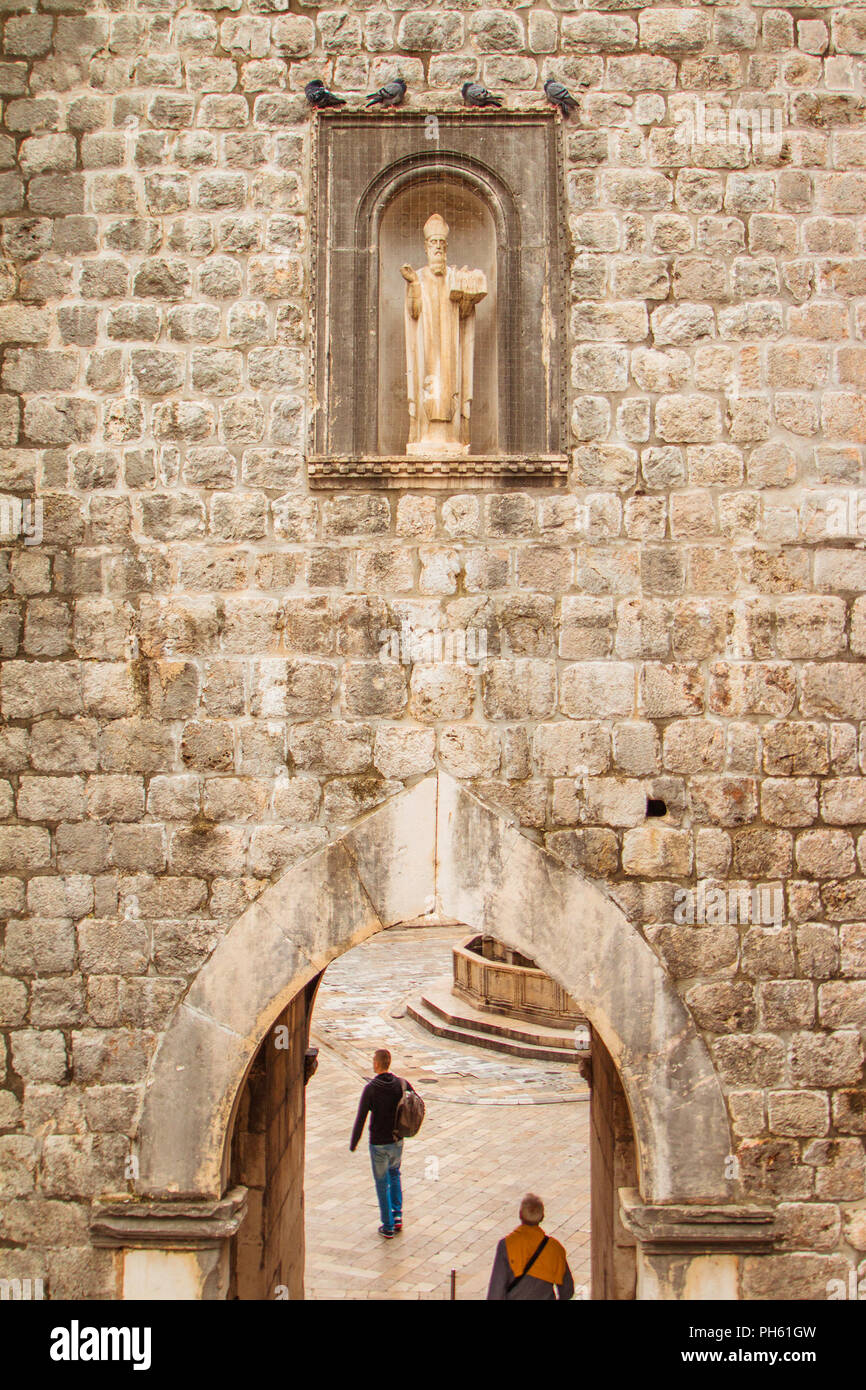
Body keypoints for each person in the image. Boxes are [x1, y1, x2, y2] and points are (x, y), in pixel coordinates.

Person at [349, 1048, 416, 1239]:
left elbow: (361, 1118)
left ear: (377, 1064)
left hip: (378, 1143)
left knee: (381, 1183)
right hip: (397, 1140)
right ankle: (397, 1217)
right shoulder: (401, 1084)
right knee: (394, 1175)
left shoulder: (371, 1089)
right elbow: (414, 1102)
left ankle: (387, 1226)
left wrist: (354, 1142)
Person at [486, 1193, 575, 1300]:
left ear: (520, 1215)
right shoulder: (555, 1249)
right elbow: (567, 1290)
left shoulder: (507, 1245)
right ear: (542, 1217)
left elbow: (496, 1290)